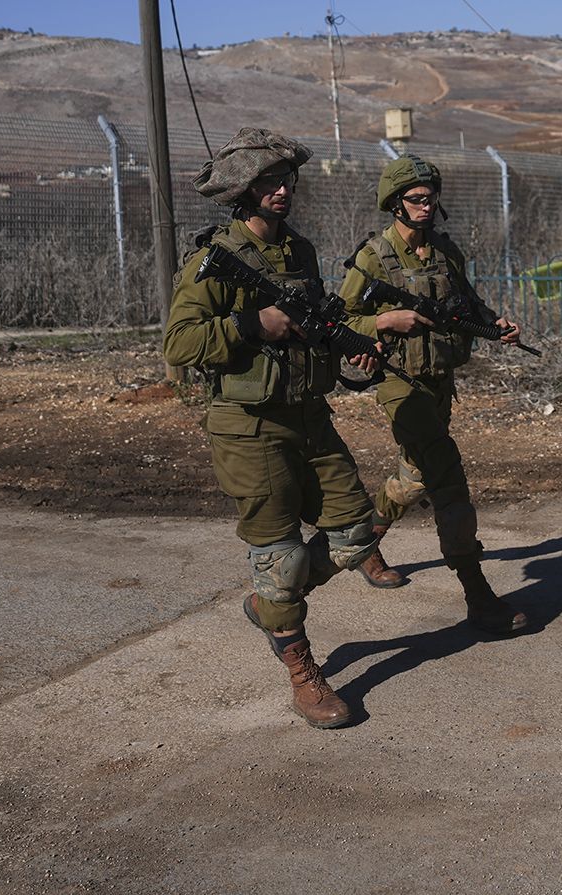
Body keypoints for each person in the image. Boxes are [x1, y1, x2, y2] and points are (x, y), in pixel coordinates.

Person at [161, 128, 382, 730]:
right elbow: (179, 344)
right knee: (281, 557)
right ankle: (304, 673)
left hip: (310, 416)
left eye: (287, 180)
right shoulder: (215, 256)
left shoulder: (301, 252)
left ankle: (269, 605)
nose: (282, 190)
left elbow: (313, 331)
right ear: (241, 189)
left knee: (356, 534)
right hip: (248, 426)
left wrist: (350, 354)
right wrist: (250, 324)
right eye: (267, 182)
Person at [340, 153, 530, 637]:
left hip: (441, 380)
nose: (426, 206)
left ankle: (363, 541)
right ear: (395, 204)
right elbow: (337, 322)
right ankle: (478, 594)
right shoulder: (372, 258)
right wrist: (383, 320)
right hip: (399, 383)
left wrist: (495, 326)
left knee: (415, 474)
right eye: (416, 199)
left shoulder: (446, 252)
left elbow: (467, 304)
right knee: (447, 477)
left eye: (431, 198)